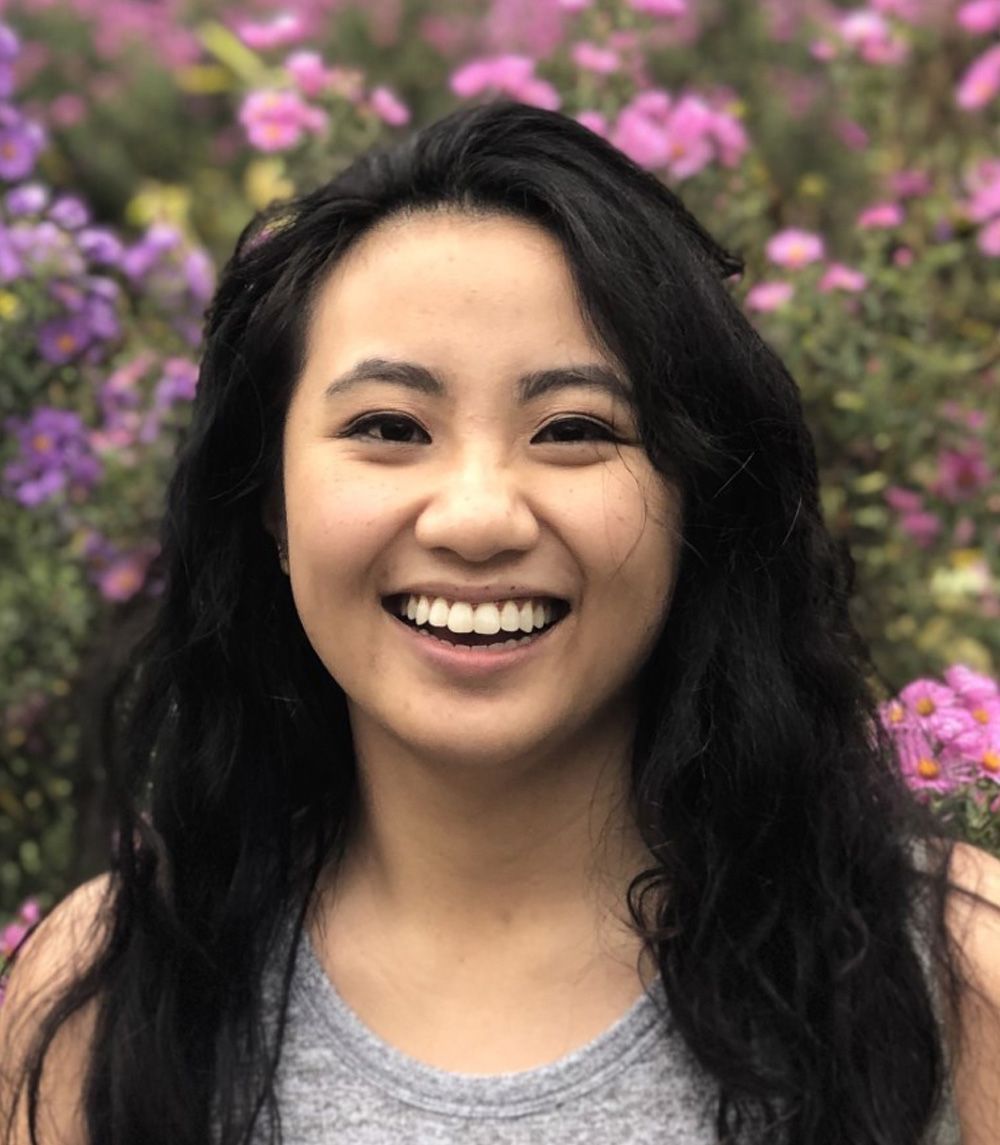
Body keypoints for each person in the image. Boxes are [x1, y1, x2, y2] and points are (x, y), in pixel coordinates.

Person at [1, 98, 999, 1145]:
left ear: (695, 499)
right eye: (389, 426)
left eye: (573, 429)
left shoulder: (947, 979)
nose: (477, 516)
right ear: (270, 504)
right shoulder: (110, 1000)